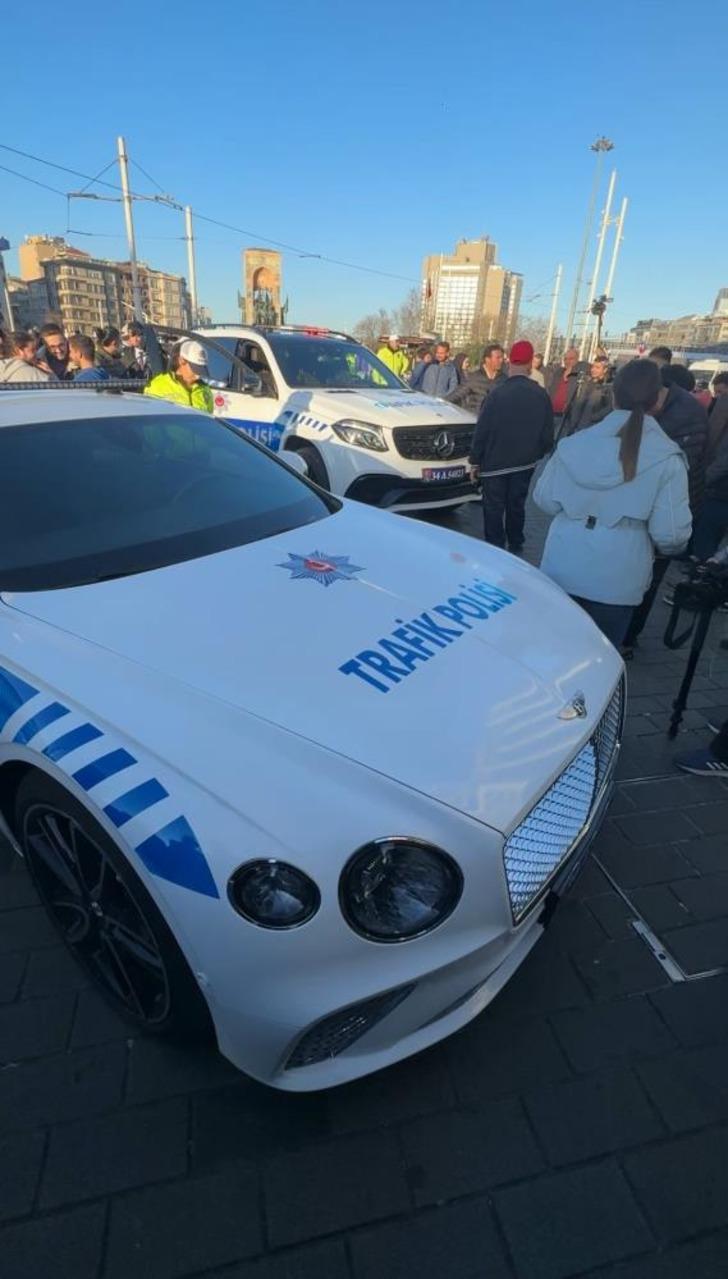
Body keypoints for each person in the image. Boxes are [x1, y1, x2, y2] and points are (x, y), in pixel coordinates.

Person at [534, 359, 692, 648]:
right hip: (618, 579)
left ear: (614, 395)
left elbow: (544, 499)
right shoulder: (667, 457)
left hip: (561, 566)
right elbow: (672, 535)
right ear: (657, 399)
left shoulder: (575, 443)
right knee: (598, 664)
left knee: (552, 655)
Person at [622, 363, 709, 646]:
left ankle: (629, 637)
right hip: (642, 504)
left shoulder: (686, 415)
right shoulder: (649, 407)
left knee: (649, 577)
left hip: (670, 507)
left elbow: (679, 472)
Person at [470, 339, 553, 552]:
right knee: (517, 505)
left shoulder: (497, 394)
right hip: (524, 464)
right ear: (529, 364)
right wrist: (534, 455)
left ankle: (495, 549)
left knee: (493, 509)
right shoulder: (541, 395)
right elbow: (547, 437)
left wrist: (475, 461)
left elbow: (482, 431)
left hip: (494, 466)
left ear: (509, 362)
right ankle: (516, 545)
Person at [144, 339, 213, 411]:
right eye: (195, 368)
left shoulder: (205, 391)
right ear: (181, 360)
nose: (198, 375)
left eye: (201, 370)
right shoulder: (156, 386)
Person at [561, 355, 614, 435]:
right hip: (576, 427)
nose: (593, 370)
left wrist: (594, 417)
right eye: (593, 367)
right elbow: (578, 403)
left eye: (597, 368)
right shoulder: (586, 383)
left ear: (605, 370)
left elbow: (610, 407)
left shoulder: (608, 387)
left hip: (592, 428)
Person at [448, 343, 506, 415]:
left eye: (502, 358)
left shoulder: (504, 379)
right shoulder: (474, 378)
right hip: (475, 421)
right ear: (487, 359)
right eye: (498, 358)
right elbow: (455, 396)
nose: (501, 360)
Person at [546, 347, 580, 436]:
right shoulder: (558, 373)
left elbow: (587, 366)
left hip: (565, 417)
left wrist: (572, 370)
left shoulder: (579, 375)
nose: (567, 361)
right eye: (565, 359)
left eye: (571, 359)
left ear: (577, 359)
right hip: (551, 414)